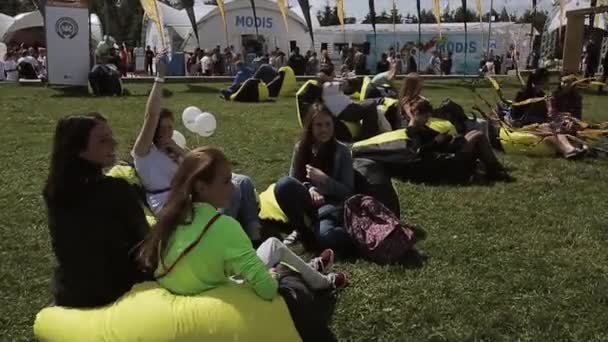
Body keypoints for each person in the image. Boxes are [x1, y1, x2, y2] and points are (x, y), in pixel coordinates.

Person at [135, 147, 347, 298]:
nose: (234, 188)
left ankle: (313, 270)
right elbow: (267, 290)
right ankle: (322, 281)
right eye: (226, 181)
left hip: (193, 293)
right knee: (274, 246)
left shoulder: (169, 219)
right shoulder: (225, 227)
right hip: (218, 300)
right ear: (200, 187)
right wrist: (270, 278)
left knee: (271, 249)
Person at [132, 57, 262, 243]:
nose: (166, 132)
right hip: (171, 205)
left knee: (244, 181)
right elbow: (150, 116)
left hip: (190, 196)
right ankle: (219, 238)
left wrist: (178, 150)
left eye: (170, 127)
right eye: (161, 128)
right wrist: (160, 78)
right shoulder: (144, 153)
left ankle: (254, 234)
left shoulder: (172, 149)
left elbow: (201, 162)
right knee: (234, 191)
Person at [43, 113, 151, 307]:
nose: (114, 143)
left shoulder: (54, 191)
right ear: (78, 148)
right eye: (103, 140)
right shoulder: (116, 190)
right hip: (117, 290)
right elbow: (146, 246)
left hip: (70, 291)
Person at [274, 103, 355, 255]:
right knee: (283, 185)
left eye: (328, 124)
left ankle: (324, 234)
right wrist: (309, 188)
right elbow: (293, 180)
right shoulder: (301, 147)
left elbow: (348, 192)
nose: (324, 129)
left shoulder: (342, 151)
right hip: (307, 203)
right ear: (310, 127)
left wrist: (325, 180)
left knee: (327, 237)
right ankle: (302, 230)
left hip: (330, 207)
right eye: (318, 125)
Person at [407, 99, 512, 182]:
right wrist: (436, 141)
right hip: (447, 156)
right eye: (425, 117)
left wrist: (447, 137)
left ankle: (493, 169)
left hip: (448, 148)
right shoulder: (413, 130)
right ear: (416, 113)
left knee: (475, 133)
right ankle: (494, 170)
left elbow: (435, 139)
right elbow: (419, 151)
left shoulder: (422, 126)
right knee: (478, 136)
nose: (427, 120)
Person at [319, 64, 381, 139]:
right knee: (371, 105)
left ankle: (368, 133)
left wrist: (337, 78)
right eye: (333, 72)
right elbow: (346, 84)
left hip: (346, 108)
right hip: (345, 111)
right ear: (330, 74)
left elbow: (347, 88)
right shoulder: (327, 85)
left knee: (371, 102)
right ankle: (368, 136)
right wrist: (335, 78)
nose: (335, 74)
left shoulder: (328, 85)